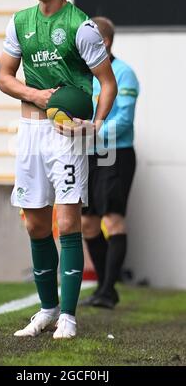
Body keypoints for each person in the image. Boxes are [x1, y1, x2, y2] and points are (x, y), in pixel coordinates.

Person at [0, 0, 117, 338]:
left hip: (68, 136)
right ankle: (47, 309)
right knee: (34, 224)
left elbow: (107, 83)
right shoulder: (19, 22)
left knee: (66, 221)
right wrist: (38, 96)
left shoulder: (81, 26)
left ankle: (68, 316)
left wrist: (96, 125)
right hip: (30, 132)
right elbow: (4, 78)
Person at [81, 16, 139, 309]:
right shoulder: (83, 74)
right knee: (87, 223)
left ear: (103, 42)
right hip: (89, 154)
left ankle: (107, 289)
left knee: (112, 220)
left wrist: (91, 130)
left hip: (116, 153)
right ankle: (106, 289)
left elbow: (124, 121)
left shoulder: (124, 73)